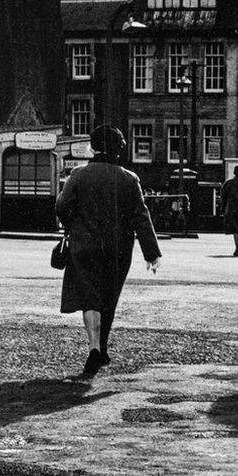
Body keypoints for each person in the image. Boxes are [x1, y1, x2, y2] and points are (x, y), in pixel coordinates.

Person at [56, 125, 161, 376]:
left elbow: (61, 207)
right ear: (119, 149)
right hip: (118, 249)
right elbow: (141, 218)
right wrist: (152, 253)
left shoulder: (79, 175)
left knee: (89, 297)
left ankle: (93, 347)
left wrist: (73, 225)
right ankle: (102, 348)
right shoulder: (129, 178)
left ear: (93, 147)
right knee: (108, 299)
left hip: (84, 246)